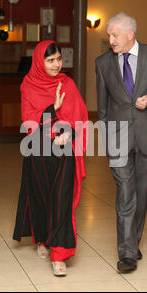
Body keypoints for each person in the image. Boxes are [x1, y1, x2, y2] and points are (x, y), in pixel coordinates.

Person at [96, 12, 147, 273]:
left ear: (130, 34)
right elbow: (102, 107)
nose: (110, 40)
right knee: (125, 194)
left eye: (114, 35)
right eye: (109, 35)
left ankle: (132, 241)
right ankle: (127, 253)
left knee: (141, 195)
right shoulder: (102, 63)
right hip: (118, 139)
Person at [13, 40, 88, 277]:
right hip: (38, 151)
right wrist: (52, 110)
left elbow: (79, 116)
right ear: (39, 61)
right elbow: (29, 121)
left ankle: (59, 254)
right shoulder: (29, 84)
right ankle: (42, 239)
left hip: (64, 152)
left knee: (61, 201)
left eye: (59, 59)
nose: (56, 65)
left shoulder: (68, 84)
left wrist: (67, 134)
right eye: (50, 60)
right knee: (40, 196)